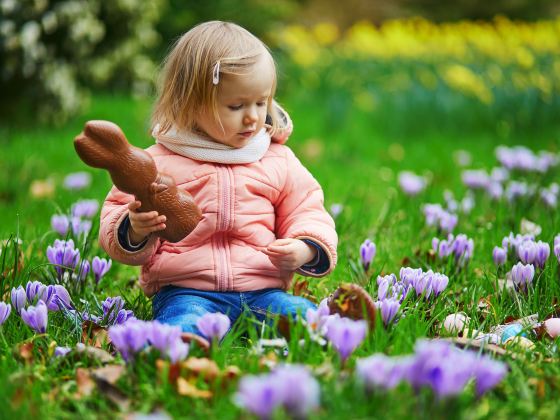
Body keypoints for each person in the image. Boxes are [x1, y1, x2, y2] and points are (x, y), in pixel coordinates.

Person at [99, 21, 337, 343]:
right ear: (190, 103)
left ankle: (328, 330)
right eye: (236, 106)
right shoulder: (157, 162)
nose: (252, 117)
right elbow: (115, 211)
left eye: (261, 102)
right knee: (185, 321)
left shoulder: (275, 158)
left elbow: (306, 208)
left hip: (262, 288)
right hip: (188, 289)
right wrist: (134, 228)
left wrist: (305, 248)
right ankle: (182, 345)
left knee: (299, 316)